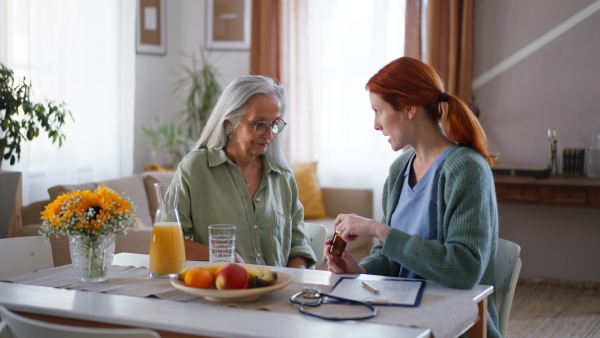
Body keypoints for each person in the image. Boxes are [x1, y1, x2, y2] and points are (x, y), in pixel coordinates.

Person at [324, 57, 500, 337]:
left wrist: (378, 229)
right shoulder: (399, 169)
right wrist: (360, 269)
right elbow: (391, 259)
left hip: (454, 325)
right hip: (399, 318)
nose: (375, 124)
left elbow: (464, 270)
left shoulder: (466, 168)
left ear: (408, 107)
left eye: (378, 111)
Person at [172, 75, 316, 268]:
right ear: (229, 124)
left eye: (275, 124)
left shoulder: (283, 178)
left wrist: (291, 282)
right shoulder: (196, 168)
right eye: (259, 124)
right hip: (218, 290)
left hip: (276, 292)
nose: (270, 134)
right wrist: (223, 255)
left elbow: (298, 247)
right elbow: (169, 240)